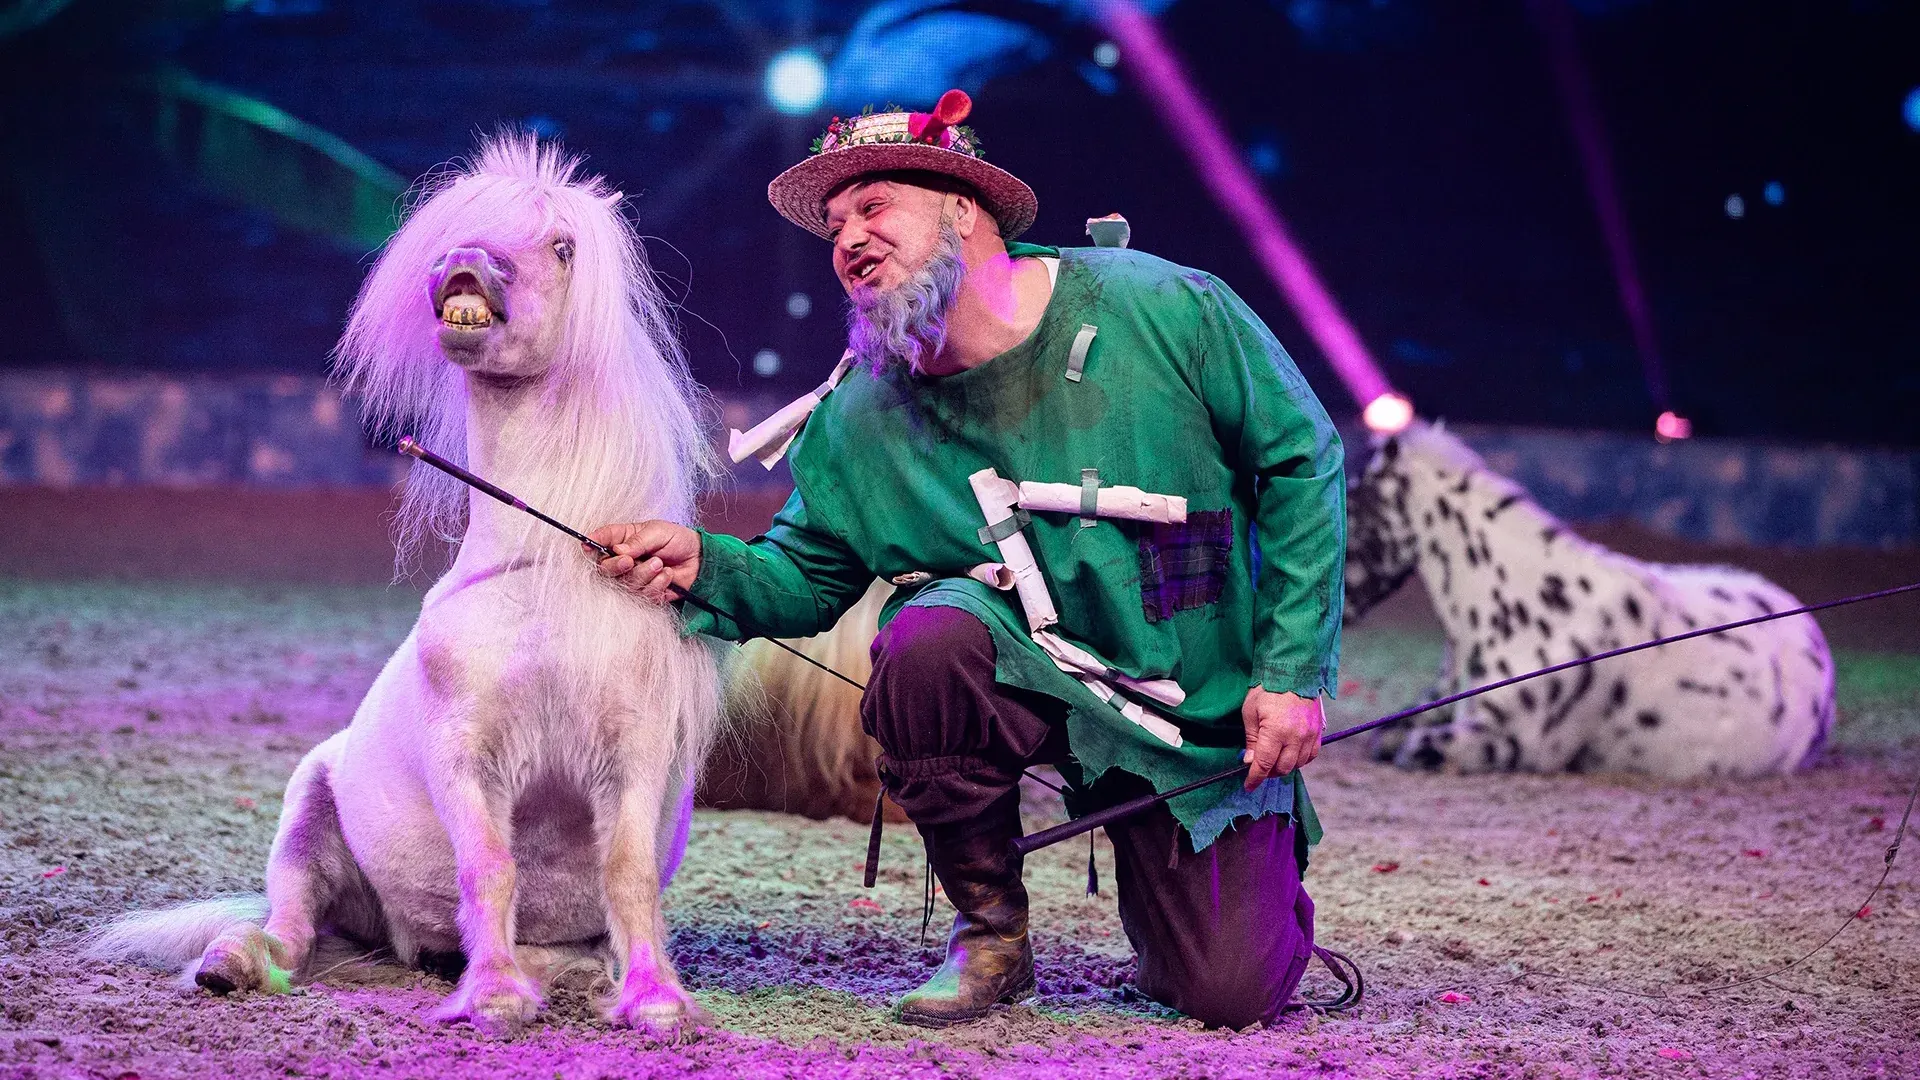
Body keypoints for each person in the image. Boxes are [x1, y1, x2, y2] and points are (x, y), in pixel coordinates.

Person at [590, 90, 1346, 1030]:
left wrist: (1289, 672)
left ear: (962, 206)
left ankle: (1216, 902)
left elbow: (1299, 458)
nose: (849, 240)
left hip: (1193, 710)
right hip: (1014, 677)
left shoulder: (1163, 306)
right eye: (834, 225)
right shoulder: (860, 416)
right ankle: (990, 936)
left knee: (1228, 991)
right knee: (929, 636)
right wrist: (704, 562)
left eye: (874, 208)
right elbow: (809, 573)